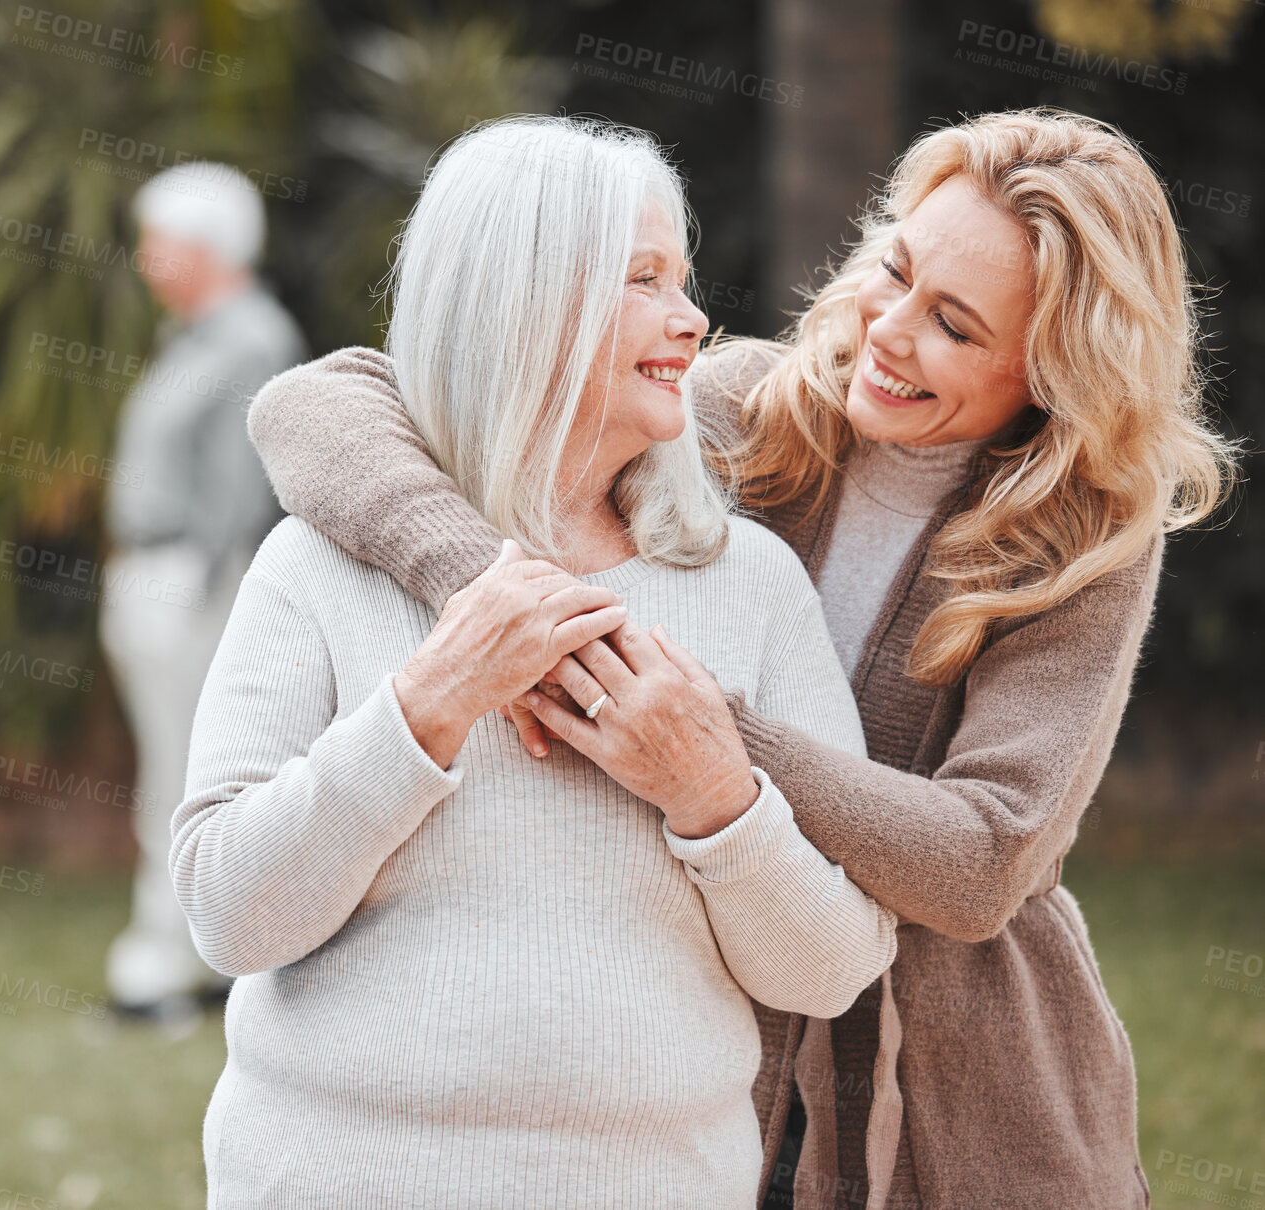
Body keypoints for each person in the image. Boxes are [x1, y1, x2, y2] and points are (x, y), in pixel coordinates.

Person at [245, 108, 1239, 1209]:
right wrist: (497, 601)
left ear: (1053, 369)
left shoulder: (1086, 538)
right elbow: (314, 403)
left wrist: (701, 733)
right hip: (730, 1044)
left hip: (961, 1066)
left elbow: (980, 860)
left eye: (953, 327)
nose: (886, 331)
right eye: (894, 269)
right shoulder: (730, 411)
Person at [175, 116, 896, 1207]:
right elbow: (228, 914)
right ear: (517, 298)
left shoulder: (746, 582)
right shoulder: (315, 564)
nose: (691, 319)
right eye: (642, 278)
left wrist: (711, 796)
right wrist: (432, 698)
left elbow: (831, 967)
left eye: (683, 279)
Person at [101, 160, 307, 1024]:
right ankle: (176, 953)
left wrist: (205, 590)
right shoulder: (189, 338)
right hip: (155, 572)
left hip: (196, 580)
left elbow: (241, 488)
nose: (146, 260)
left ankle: (177, 962)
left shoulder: (249, 339)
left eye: (159, 243)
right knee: (166, 765)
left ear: (206, 248)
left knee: (187, 772)